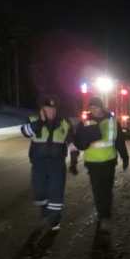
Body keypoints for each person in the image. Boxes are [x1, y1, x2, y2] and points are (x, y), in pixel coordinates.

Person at [20, 95, 79, 230]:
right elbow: (25, 132)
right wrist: (41, 122)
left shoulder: (64, 122)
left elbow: (71, 142)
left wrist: (74, 160)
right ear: (42, 109)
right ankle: (45, 209)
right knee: (39, 191)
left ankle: (55, 220)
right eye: (47, 108)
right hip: (38, 164)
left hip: (57, 164)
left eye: (53, 109)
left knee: (56, 191)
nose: (51, 111)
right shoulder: (33, 120)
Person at [75, 96, 129, 230]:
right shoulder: (85, 121)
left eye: (97, 107)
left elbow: (119, 141)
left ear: (102, 107)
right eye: (92, 108)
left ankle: (105, 214)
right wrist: (83, 144)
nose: (94, 110)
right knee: (98, 190)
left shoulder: (112, 121)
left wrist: (125, 156)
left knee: (107, 189)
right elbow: (78, 141)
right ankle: (103, 215)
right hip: (92, 162)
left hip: (108, 161)